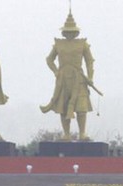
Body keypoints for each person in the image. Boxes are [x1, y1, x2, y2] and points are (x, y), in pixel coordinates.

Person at [40, 11, 95, 142]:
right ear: (63, 32)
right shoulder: (58, 44)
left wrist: (90, 77)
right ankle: (66, 134)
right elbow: (49, 59)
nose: (70, 34)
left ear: (76, 32)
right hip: (63, 79)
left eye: (72, 31)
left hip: (79, 78)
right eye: (67, 31)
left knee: (81, 108)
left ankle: (82, 133)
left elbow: (89, 61)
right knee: (63, 107)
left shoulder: (83, 44)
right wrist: (56, 71)